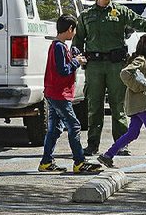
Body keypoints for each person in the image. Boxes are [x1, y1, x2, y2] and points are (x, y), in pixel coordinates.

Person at [72, 0, 146, 156]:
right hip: (95, 66)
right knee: (94, 105)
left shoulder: (120, 12)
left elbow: (142, 23)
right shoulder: (86, 15)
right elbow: (78, 41)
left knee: (118, 105)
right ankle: (92, 144)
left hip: (116, 64)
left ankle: (121, 144)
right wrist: (77, 58)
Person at [97, 35, 146, 173]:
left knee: (132, 133)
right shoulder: (141, 60)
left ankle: (108, 155)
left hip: (138, 104)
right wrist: (139, 86)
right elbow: (125, 73)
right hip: (142, 104)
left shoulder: (144, 60)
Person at [38, 14, 103, 174]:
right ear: (69, 29)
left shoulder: (56, 46)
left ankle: (46, 162)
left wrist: (73, 57)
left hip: (53, 93)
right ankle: (79, 162)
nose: (74, 34)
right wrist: (77, 62)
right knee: (74, 126)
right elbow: (63, 70)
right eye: (74, 31)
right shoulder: (59, 47)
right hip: (59, 94)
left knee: (54, 129)